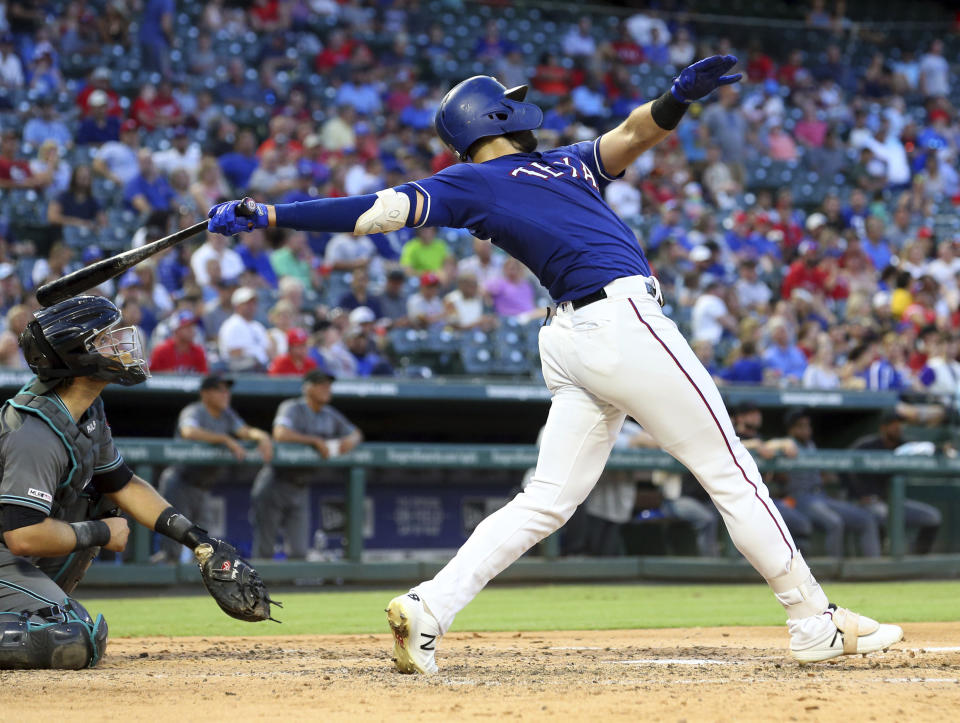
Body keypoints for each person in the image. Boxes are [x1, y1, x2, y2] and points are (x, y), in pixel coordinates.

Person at [208, 59, 902, 672]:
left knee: (546, 498)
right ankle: (814, 620)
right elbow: (378, 210)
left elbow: (631, 135)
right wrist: (273, 211)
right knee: (731, 472)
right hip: (619, 322)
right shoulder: (470, 179)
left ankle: (428, 608)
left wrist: (675, 98)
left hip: (573, 340)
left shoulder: (567, 161)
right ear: (495, 114)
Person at [0, 297, 239, 669]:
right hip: (10, 546)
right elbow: (24, 535)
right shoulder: (34, 430)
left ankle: (42, 603)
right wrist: (99, 532)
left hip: (8, 556)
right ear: (77, 354)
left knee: (102, 497)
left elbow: (122, 483)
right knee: (72, 636)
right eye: (107, 339)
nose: (123, 344)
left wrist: (199, 541)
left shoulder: (88, 409)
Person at [154, 374, 272, 563]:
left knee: (204, 549)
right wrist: (225, 439)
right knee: (172, 545)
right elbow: (188, 432)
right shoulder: (194, 411)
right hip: (180, 480)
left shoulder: (227, 415)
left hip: (203, 487)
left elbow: (246, 431)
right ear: (205, 394)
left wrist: (262, 436)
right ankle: (159, 587)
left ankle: (194, 590)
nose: (226, 395)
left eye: (227, 390)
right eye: (220, 390)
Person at [250, 367, 362, 559]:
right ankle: (257, 590)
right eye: (321, 385)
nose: (326, 388)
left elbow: (356, 433)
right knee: (264, 551)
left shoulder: (329, 414)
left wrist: (349, 441)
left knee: (299, 552)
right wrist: (314, 441)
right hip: (275, 481)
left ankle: (290, 589)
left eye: (328, 385)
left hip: (301, 486)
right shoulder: (293, 407)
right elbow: (280, 433)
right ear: (307, 388)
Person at [783, 408, 881, 559]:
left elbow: (824, 474)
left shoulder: (810, 445)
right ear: (791, 429)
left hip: (821, 496)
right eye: (801, 426)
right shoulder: (787, 444)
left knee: (866, 519)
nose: (806, 430)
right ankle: (834, 571)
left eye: (807, 425)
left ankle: (875, 568)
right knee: (834, 523)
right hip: (800, 499)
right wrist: (783, 444)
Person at [847, 411, 942, 555]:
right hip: (869, 502)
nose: (898, 428)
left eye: (899, 424)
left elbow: (926, 448)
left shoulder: (905, 445)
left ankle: (918, 560)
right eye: (893, 425)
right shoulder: (865, 445)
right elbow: (844, 468)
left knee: (932, 517)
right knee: (882, 515)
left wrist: (941, 449)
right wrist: (860, 495)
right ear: (883, 428)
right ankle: (880, 563)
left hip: (894, 502)